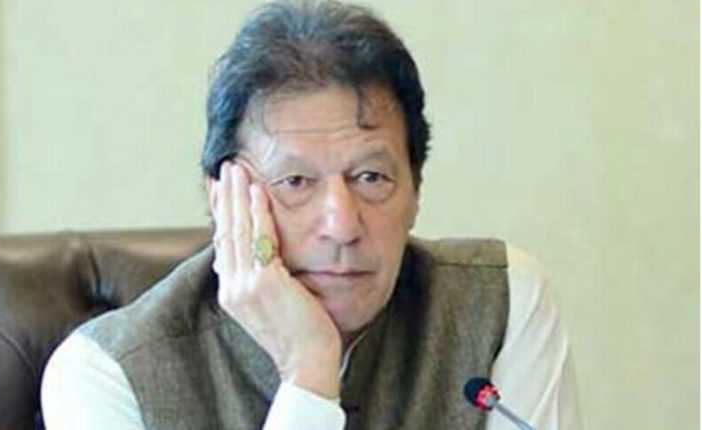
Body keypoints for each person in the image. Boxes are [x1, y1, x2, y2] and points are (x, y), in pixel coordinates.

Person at [41, 1, 582, 429]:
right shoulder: (106, 374)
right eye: (295, 183)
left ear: (415, 191)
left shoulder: (500, 304)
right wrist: (309, 372)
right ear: (223, 200)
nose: (342, 226)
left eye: (371, 178)